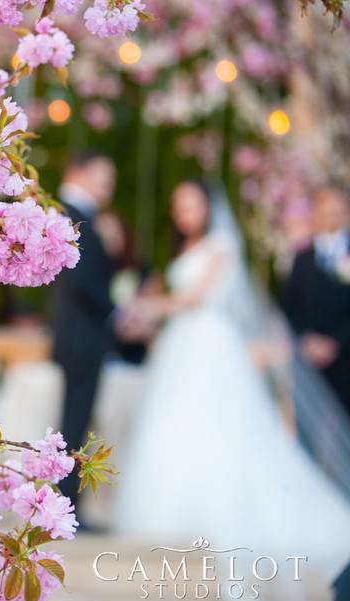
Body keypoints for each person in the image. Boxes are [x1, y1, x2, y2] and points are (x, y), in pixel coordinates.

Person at [112, 180, 350, 577]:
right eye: (179, 206)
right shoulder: (185, 250)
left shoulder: (221, 247)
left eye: (192, 204)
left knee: (220, 425)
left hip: (210, 343)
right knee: (179, 425)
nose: (185, 213)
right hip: (182, 345)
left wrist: (145, 306)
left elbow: (194, 300)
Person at [49, 150, 117, 507]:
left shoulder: (78, 215)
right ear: (79, 171)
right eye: (104, 175)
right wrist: (117, 311)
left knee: (77, 421)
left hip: (80, 336)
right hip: (81, 337)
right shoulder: (71, 216)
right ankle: (66, 503)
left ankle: (67, 502)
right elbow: (82, 282)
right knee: (75, 423)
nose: (109, 185)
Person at [283, 186, 350, 415]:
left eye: (336, 207)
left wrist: (336, 343)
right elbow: (290, 306)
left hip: (346, 357)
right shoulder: (302, 259)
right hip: (308, 359)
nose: (330, 211)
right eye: (324, 206)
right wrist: (306, 338)